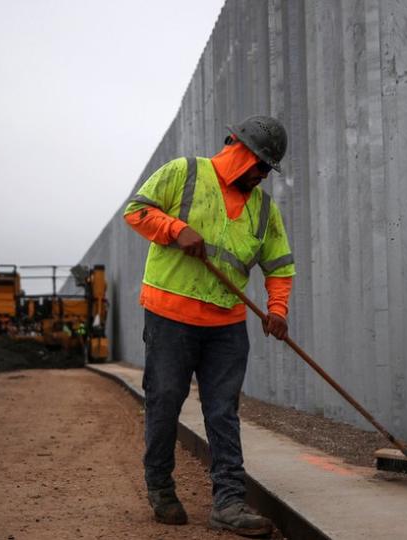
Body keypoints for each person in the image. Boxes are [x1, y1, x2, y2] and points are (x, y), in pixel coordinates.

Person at [124, 115, 295, 537]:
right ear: (238, 149)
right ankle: (161, 487)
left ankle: (229, 503)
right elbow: (137, 210)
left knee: (223, 412)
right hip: (170, 318)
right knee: (164, 400)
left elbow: (280, 265)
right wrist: (174, 228)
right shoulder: (184, 173)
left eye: (266, 170)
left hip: (226, 326)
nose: (260, 176)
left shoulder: (264, 209)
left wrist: (278, 309)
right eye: (258, 165)